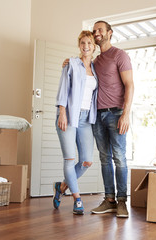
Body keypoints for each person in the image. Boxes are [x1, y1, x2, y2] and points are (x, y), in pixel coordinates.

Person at [63, 21, 134, 218]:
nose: (96, 33)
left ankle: (121, 202)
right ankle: (109, 199)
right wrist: (69, 62)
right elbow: (82, 72)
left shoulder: (120, 55)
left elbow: (130, 85)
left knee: (119, 157)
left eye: (100, 30)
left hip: (117, 113)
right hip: (97, 115)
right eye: (94, 31)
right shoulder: (95, 61)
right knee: (104, 158)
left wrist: (126, 114)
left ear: (110, 33)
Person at [52, 30, 98, 215]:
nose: (86, 46)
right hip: (69, 115)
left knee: (87, 161)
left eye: (89, 43)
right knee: (70, 159)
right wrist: (62, 112)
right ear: (79, 45)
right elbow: (63, 89)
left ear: (94, 47)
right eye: (83, 43)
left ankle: (61, 186)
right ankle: (77, 199)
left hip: (87, 118)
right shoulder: (71, 63)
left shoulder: (95, 69)